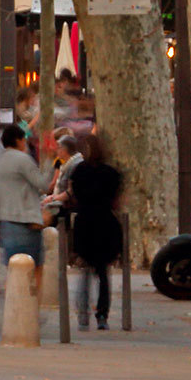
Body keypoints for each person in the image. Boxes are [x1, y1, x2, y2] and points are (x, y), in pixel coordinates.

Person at [57, 130, 124, 330]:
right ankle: (102, 315)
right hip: (106, 224)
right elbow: (116, 201)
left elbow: (73, 196)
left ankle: (83, 315)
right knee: (103, 273)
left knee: (84, 271)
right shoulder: (112, 174)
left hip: (85, 223)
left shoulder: (79, 172)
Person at [0, 123, 51, 270]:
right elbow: (43, 184)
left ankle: (13, 293)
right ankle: (35, 293)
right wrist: (48, 160)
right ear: (19, 140)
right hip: (25, 222)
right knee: (35, 268)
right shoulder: (23, 160)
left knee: (13, 270)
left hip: (5, 222)